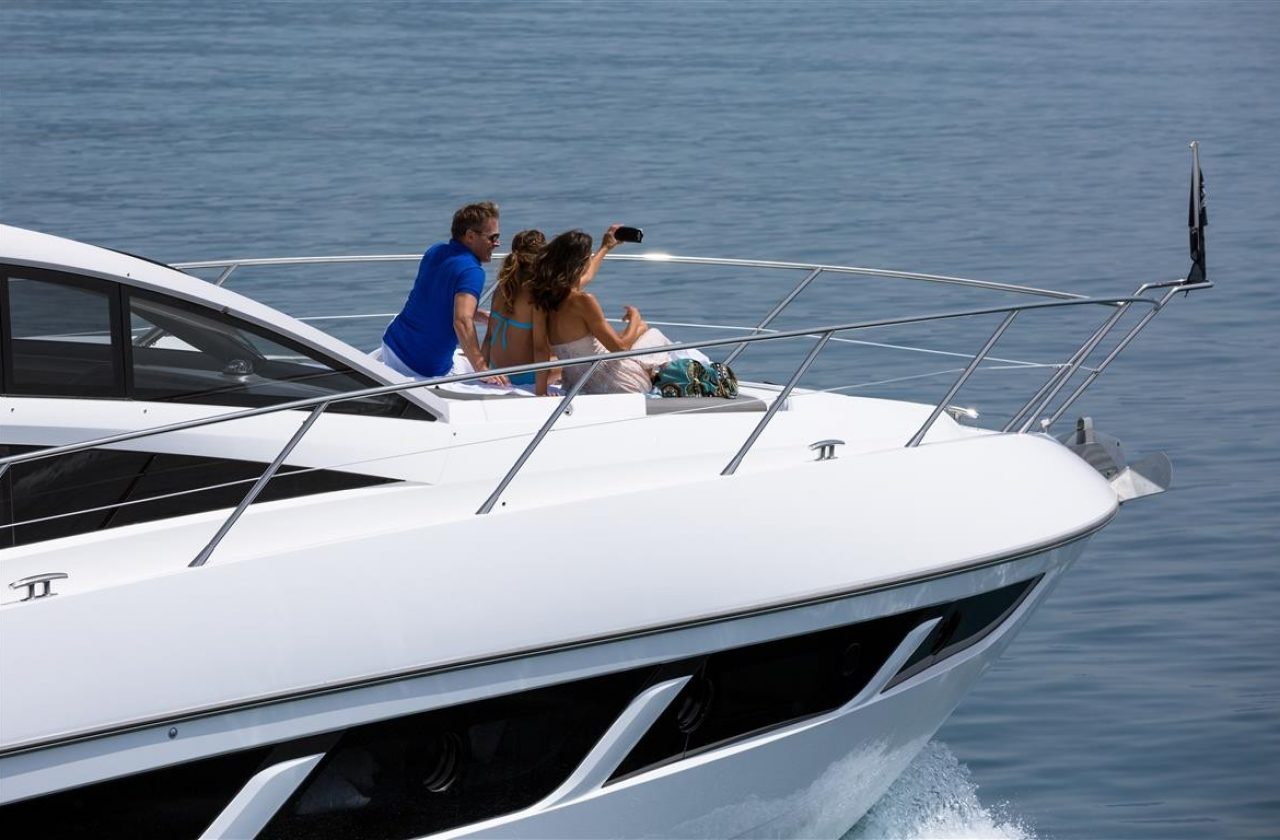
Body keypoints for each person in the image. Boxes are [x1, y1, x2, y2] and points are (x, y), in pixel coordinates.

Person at [529, 226, 675, 396]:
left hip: (577, 386)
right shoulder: (584, 301)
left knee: (641, 330)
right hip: (619, 383)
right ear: (581, 263)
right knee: (653, 334)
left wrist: (541, 392)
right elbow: (620, 349)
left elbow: (540, 349)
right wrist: (635, 318)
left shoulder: (542, 301)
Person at [381, 201, 509, 385]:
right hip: (421, 369)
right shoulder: (472, 271)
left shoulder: (435, 251)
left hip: (392, 347)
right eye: (492, 237)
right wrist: (482, 369)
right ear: (470, 236)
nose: (497, 243)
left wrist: (483, 317)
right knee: (497, 375)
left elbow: (439, 301)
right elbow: (462, 321)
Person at [481, 229, 546, 390]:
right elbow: (540, 348)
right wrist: (541, 391)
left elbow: (488, 337)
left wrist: (482, 375)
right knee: (569, 357)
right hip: (523, 377)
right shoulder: (536, 296)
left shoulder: (501, 288)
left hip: (496, 369)